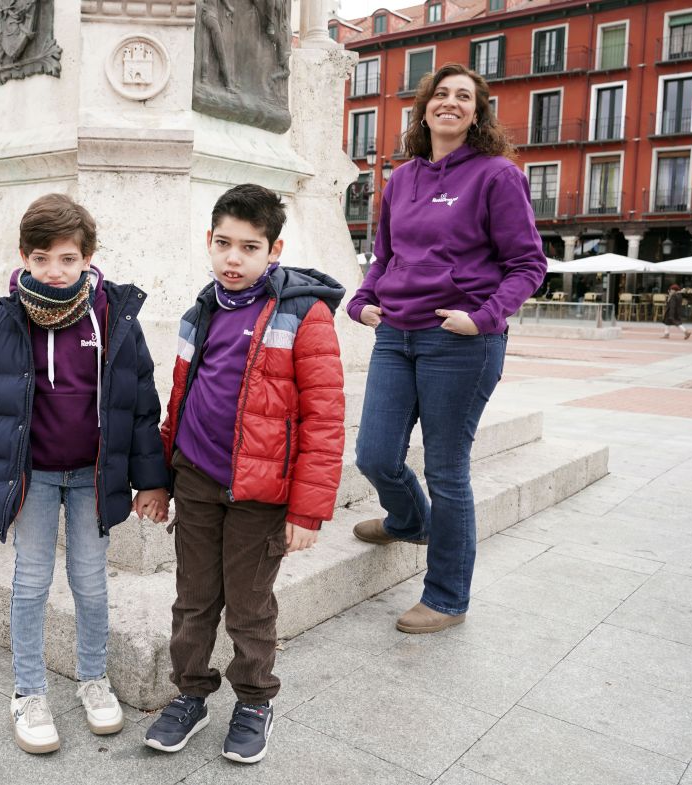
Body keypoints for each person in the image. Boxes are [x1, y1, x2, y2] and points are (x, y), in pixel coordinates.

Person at [0, 194, 169, 754]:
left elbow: (140, 401)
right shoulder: (5, 318)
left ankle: (93, 679)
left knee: (91, 583)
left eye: (68, 259)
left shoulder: (112, 316)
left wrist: (151, 478)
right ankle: (28, 690)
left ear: (88, 258)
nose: (55, 271)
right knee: (31, 582)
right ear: (24, 257)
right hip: (34, 476)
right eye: (43, 258)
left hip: (92, 476)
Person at [144, 184, 345, 764]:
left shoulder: (304, 314)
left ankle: (255, 699)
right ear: (209, 242)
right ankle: (190, 693)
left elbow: (325, 419)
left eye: (250, 247)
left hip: (262, 493)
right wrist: (160, 478)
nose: (234, 258)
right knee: (193, 598)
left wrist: (307, 510)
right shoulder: (199, 311)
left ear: (273, 250)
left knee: (250, 604)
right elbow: (179, 401)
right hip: (198, 480)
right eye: (224, 244)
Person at [346, 63, 546, 635]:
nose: (451, 103)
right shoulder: (402, 178)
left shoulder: (496, 176)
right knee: (375, 455)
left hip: (458, 342)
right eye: (442, 94)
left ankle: (447, 597)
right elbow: (384, 256)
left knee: (448, 472)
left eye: (464, 96)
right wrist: (361, 300)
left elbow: (529, 264)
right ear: (426, 107)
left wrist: (482, 318)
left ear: (478, 112)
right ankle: (408, 520)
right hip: (395, 335)